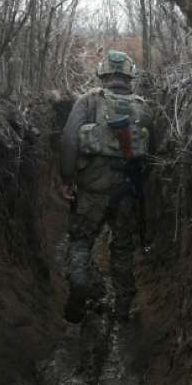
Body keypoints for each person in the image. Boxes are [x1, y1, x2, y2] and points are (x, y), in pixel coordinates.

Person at [59, 50, 153, 324]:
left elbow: (68, 141)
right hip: (126, 192)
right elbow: (153, 153)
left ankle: (78, 285)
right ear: (129, 76)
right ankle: (122, 309)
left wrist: (67, 179)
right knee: (122, 248)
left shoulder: (88, 101)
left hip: (91, 190)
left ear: (104, 74)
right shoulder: (143, 107)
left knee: (80, 241)